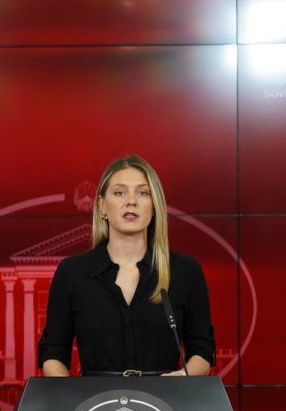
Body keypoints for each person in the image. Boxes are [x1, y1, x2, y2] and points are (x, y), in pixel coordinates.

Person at [38, 154, 215, 377]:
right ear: (102, 205)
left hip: (165, 397)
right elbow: (53, 353)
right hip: (94, 398)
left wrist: (177, 381)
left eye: (143, 193)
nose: (131, 201)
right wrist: (71, 396)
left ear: (154, 206)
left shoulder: (185, 271)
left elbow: (203, 353)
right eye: (119, 193)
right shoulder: (71, 273)